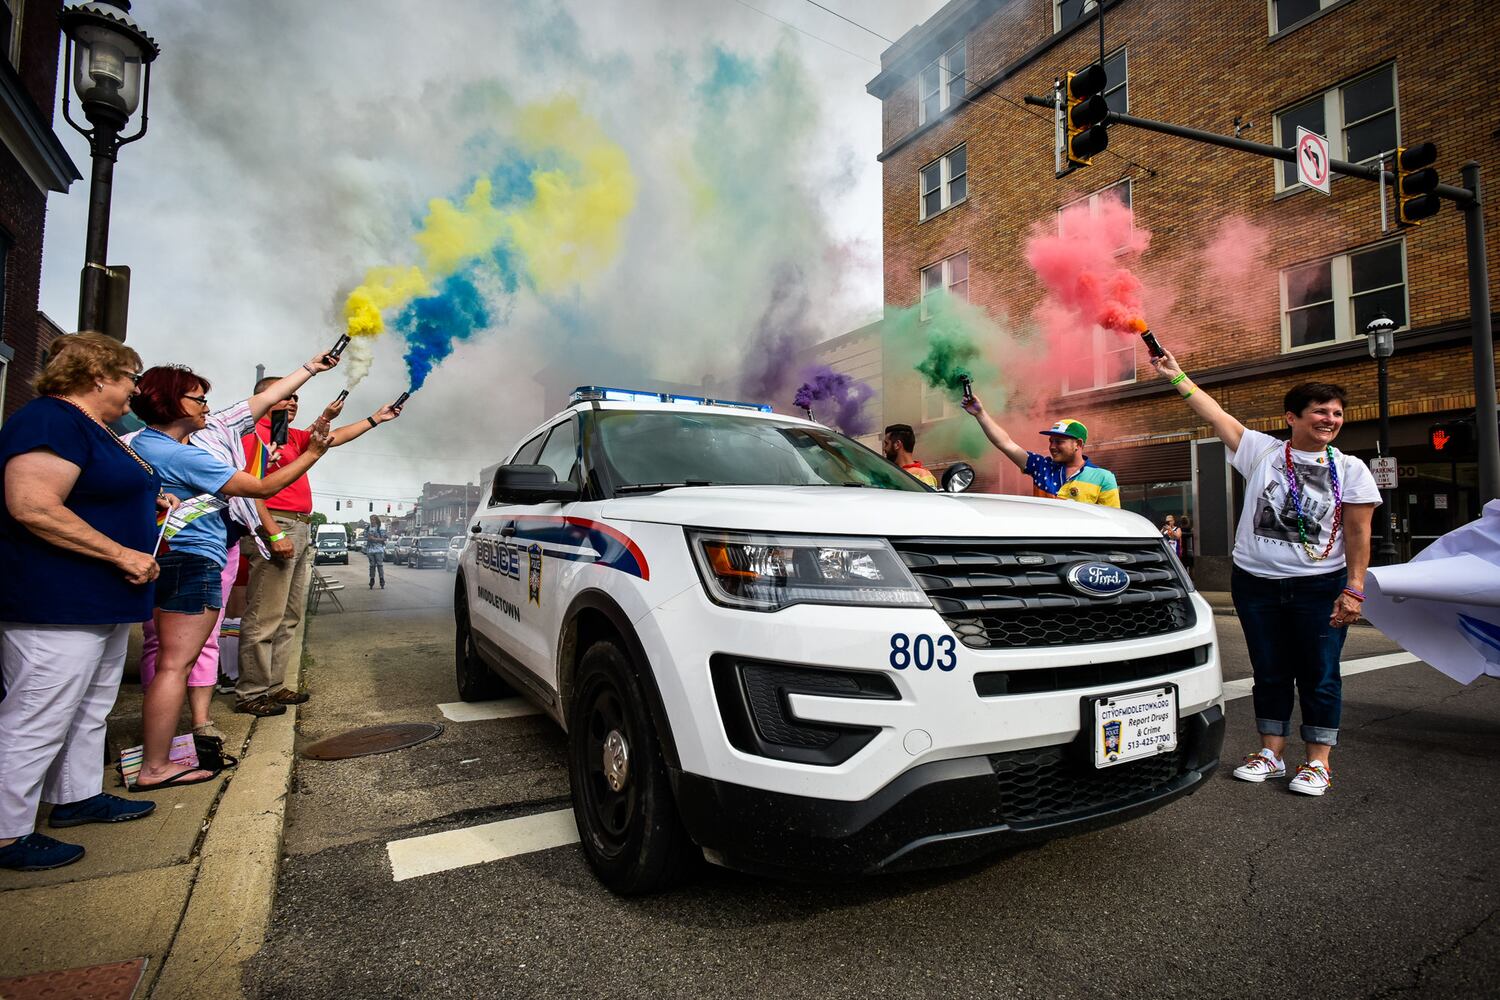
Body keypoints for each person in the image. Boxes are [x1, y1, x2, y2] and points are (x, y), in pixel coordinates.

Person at [1151, 345, 1380, 797]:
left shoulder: (1351, 469)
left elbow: (1358, 534)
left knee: (1320, 673)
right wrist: (1176, 376)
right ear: (1292, 417)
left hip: (1319, 586)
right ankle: (1271, 753)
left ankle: (1318, 761)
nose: (1330, 420)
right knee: (1270, 671)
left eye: (1336, 413)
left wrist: (1354, 588)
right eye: (1320, 412)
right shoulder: (1261, 451)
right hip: (1256, 586)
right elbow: (1214, 413)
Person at [0, 334, 167, 871]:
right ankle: (6, 831)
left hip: (101, 599)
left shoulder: (100, 430)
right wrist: (121, 552)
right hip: (57, 597)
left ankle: (75, 797)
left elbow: (96, 490)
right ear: (99, 375)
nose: (134, 390)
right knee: (37, 712)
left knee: (90, 706)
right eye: (130, 378)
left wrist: (148, 498)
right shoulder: (50, 420)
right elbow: (32, 505)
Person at [128, 367, 333, 790]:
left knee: (169, 657)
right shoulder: (180, 452)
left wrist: (312, 368)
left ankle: (160, 754)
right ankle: (156, 765)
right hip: (192, 558)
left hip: (174, 555)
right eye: (198, 399)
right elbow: (257, 487)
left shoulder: (144, 444)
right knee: (175, 663)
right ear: (171, 404)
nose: (207, 406)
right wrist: (312, 454)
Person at [236, 383, 403, 716]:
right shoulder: (250, 435)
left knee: (288, 615)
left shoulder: (291, 436)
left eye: (296, 397)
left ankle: (274, 685)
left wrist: (375, 419)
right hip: (277, 525)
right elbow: (246, 490)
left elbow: (333, 436)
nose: (293, 401)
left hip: (299, 526)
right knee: (264, 614)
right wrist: (271, 533)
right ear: (265, 400)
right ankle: (250, 692)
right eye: (286, 395)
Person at [962, 395, 1120, 506]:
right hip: (1043, 550)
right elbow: (1005, 443)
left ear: (1078, 444)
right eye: (1051, 441)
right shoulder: (1041, 467)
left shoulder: (1103, 478)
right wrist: (980, 414)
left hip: (1080, 553)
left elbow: (1113, 523)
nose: (1052, 447)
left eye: (1059, 442)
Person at [365, 514, 388, 589]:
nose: (372, 521)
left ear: (376, 520)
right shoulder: (368, 528)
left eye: (373, 520)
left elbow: (384, 539)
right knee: (372, 566)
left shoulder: (380, 528)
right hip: (370, 550)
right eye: (370, 519)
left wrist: (374, 539)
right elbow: (365, 537)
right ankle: (372, 579)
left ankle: (381, 580)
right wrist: (368, 538)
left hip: (379, 550)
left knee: (380, 565)